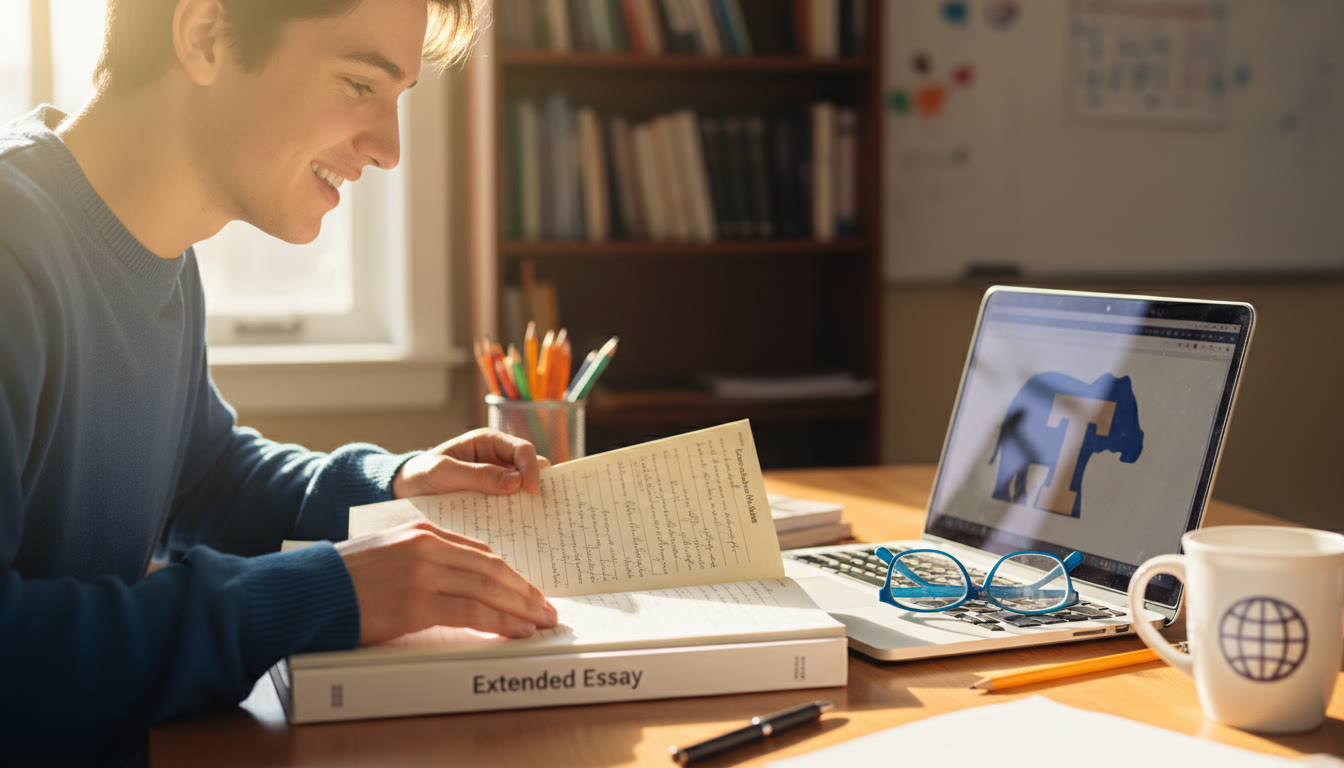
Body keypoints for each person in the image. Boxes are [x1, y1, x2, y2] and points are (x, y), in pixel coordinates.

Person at [0, 0, 558, 763]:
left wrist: (394, 488)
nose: (389, 150)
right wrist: (317, 593)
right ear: (206, 35)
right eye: (361, 84)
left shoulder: (159, 257)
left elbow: (205, 477)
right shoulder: (12, 254)